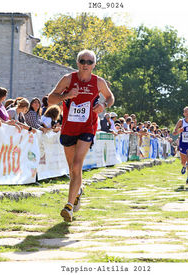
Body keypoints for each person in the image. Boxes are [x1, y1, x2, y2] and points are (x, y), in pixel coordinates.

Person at [47, 49, 114, 222]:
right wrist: (67, 95)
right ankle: (78, 191)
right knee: (72, 169)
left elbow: (110, 97)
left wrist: (104, 105)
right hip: (69, 128)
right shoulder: (68, 79)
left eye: (89, 62)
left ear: (94, 64)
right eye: (82, 61)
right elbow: (50, 100)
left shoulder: (98, 82)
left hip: (88, 127)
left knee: (77, 165)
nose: (85, 64)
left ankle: (68, 206)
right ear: (78, 63)